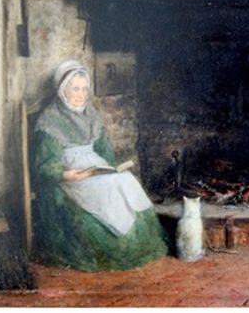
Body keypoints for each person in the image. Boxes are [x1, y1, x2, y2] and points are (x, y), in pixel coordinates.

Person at [32, 59, 169, 271]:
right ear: (62, 90)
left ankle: (138, 243)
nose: (81, 95)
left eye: (84, 89)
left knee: (125, 181)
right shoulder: (49, 120)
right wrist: (68, 174)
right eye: (75, 89)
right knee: (105, 191)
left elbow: (104, 150)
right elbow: (44, 165)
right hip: (70, 173)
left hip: (93, 166)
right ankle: (119, 248)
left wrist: (111, 169)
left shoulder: (90, 114)